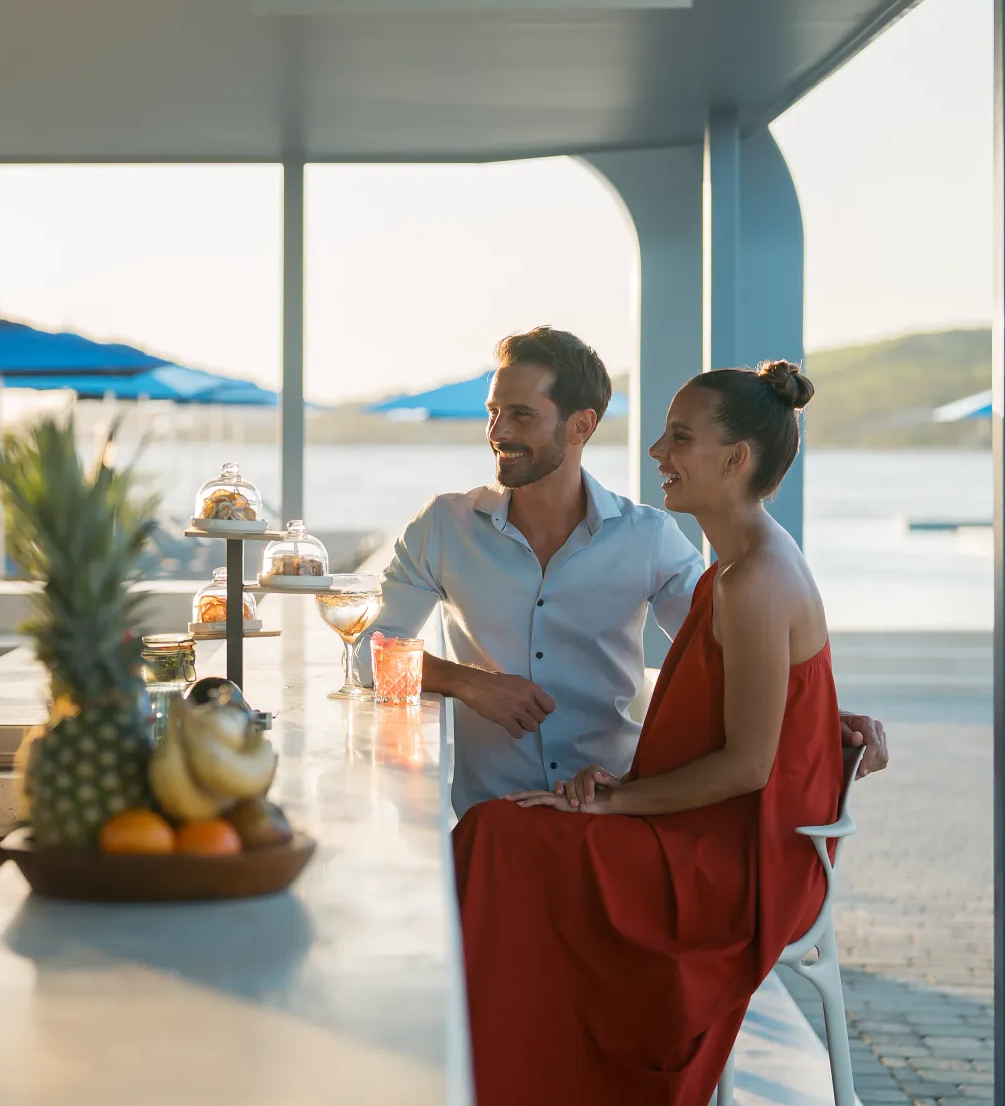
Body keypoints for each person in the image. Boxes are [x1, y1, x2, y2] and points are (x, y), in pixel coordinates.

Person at [453, 361, 844, 1106]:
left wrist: (612, 804)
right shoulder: (738, 564)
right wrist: (616, 790)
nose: (658, 452)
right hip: (706, 829)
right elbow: (778, 706)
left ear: (736, 460)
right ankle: (504, 1077)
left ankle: (510, 1082)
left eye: (681, 437)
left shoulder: (758, 578)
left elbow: (749, 766)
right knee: (500, 835)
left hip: (739, 862)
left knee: (498, 838)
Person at [368, 327, 885, 816]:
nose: (497, 431)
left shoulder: (648, 537)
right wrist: (465, 683)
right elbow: (364, 656)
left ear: (581, 426)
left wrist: (825, 716)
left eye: (521, 414)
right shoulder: (444, 527)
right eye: (494, 411)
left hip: (617, 804)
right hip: (496, 809)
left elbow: (735, 657)